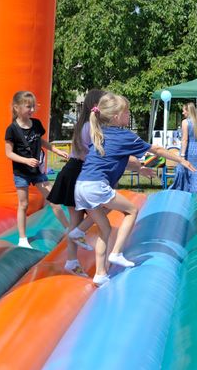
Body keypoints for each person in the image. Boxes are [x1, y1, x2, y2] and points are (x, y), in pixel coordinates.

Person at [74, 92, 195, 286]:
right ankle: (116, 253)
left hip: (81, 185)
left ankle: (100, 273)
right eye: (126, 112)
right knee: (132, 211)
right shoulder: (124, 135)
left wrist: (141, 168)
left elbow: (120, 160)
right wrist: (180, 159)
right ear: (116, 117)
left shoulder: (100, 132)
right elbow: (155, 150)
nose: (129, 115)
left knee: (104, 228)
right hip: (96, 186)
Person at [47, 89, 154, 277]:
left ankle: (74, 260)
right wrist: (138, 167)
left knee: (82, 217)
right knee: (98, 212)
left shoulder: (87, 125)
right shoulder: (92, 127)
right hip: (79, 172)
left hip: (76, 171)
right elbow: (107, 156)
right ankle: (81, 258)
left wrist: (138, 167)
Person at [4, 91, 69, 248]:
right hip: (22, 173)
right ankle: (22, 239)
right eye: (28, 106)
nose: (32, 109)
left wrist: (56, 150)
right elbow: (9, 153)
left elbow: (41, 142)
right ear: (17, 108)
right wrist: (26, 160)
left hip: (38, 172)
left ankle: (69, 229)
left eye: (33, 106)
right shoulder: (12, 129)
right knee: (24, 204)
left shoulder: (37, 124)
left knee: (54, 200)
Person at [170, 102, 197, 192]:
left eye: (184, 111)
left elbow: (185, 140)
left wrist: (182, 155)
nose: (183, 113)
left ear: (188, 111)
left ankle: (182, 192)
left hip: (188, 151)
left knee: (185, 171)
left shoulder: (185, 122)